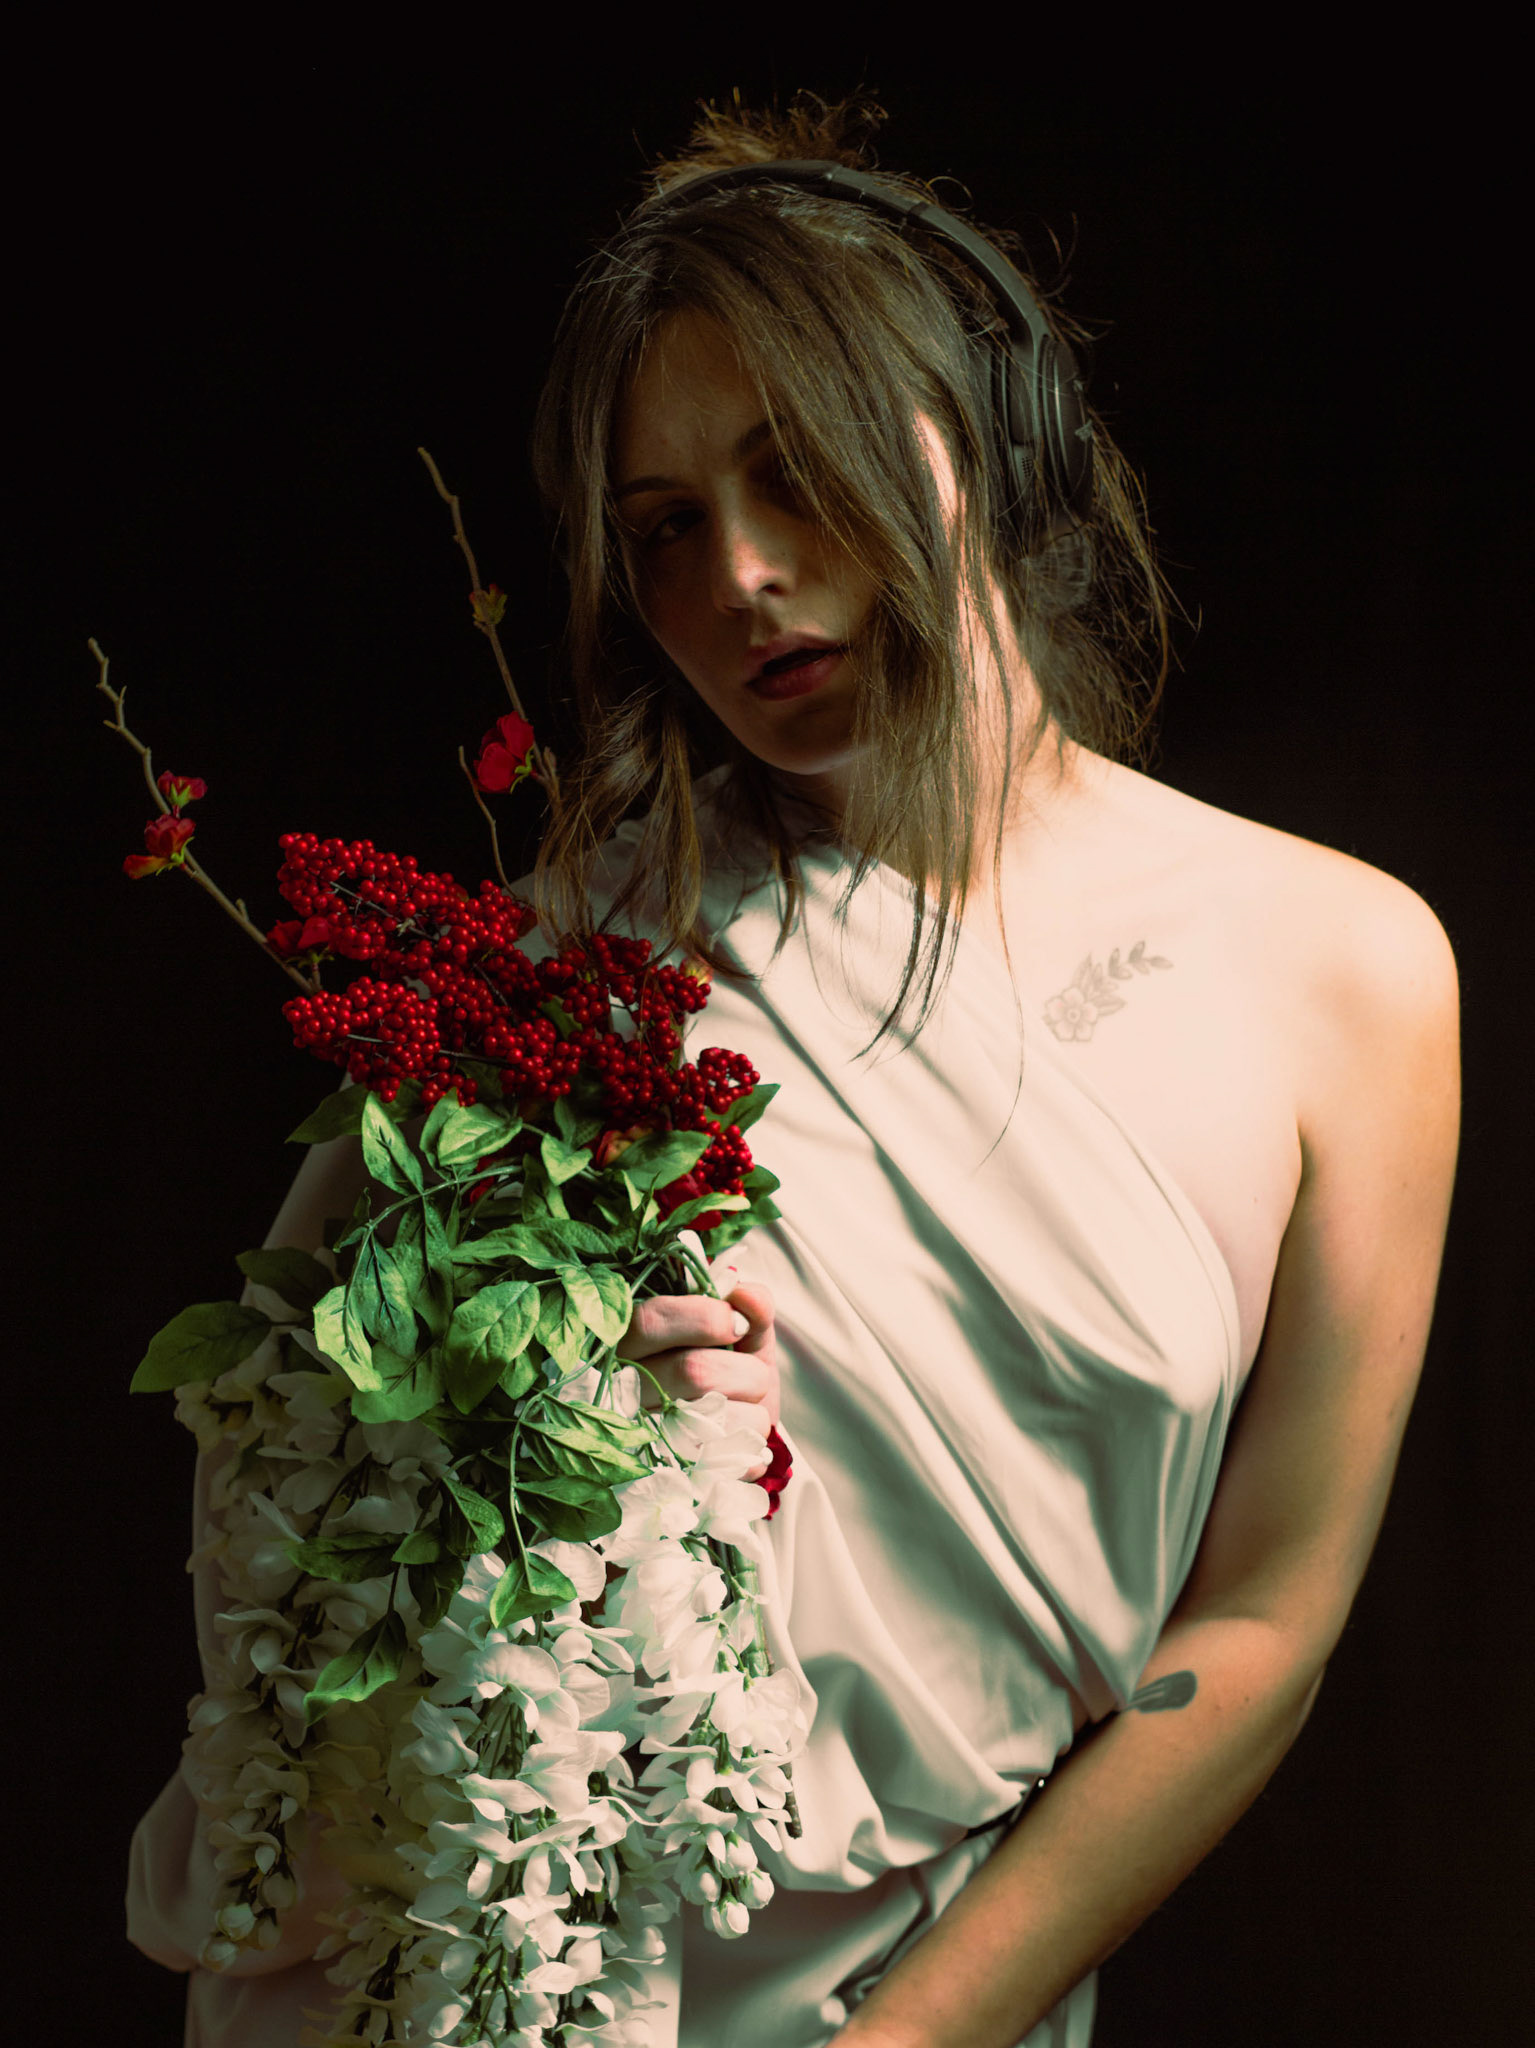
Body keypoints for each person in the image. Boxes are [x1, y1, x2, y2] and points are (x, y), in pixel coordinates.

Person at [127, 88, 1461, 2048]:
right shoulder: (577, 968)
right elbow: (283, 1524)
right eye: (667, 529)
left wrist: (909, 2040)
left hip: (926, 1993)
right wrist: (534, 1438)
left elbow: (1264, 1621)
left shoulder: (1345, 967)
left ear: (990, 435)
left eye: (798, 470)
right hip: (501, 1968)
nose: (741, 574)